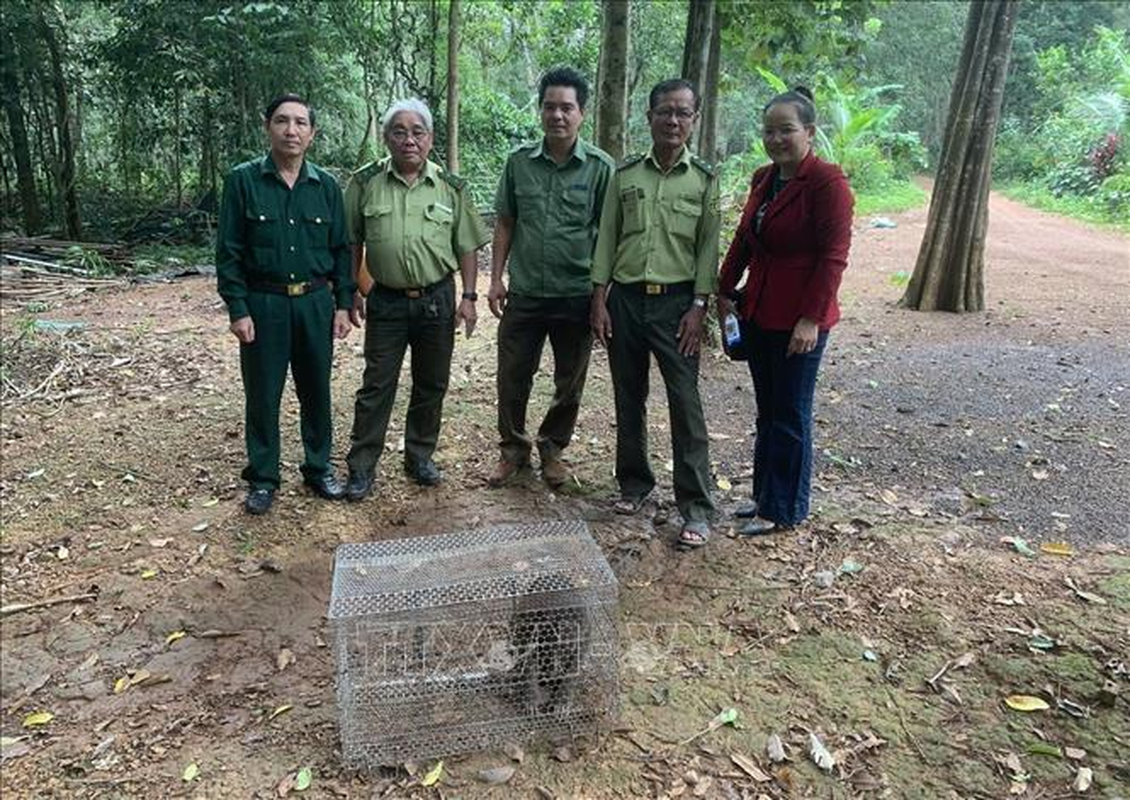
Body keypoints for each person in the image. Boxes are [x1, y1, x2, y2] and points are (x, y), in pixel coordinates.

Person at [717, 86, 854, 535]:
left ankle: (785, 510)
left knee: (791, 413)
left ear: (809, 132)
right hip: (759, 310)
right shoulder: (764, 178)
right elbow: (743, 238)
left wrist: (811, 318)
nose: (776, 139)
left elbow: (833, 256)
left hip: (799, 320)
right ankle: (763, 496)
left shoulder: (827, 183)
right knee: (767, 410)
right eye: (769, 131)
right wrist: (722, 287)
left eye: (787, 130)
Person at [590, 78, 720, 550]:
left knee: (685, 404)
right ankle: (634, 485)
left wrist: (699, 306)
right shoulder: (625, 177)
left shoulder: (703, 180)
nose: (673, 120)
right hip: (625, 300)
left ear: (694, 120)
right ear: (648, 117)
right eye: (665, 111)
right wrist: (599, 299)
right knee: (629, 395)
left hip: (677, 305)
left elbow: (708, 248)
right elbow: (607, 238)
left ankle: (697, 507)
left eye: (683, 113)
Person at [342, 98, 490, 501]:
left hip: (437, 299)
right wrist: (353, 288)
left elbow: (467, 247)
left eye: (417, 131)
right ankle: (361, 467)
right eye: (399, 131)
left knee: (432, 383)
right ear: (387, 137)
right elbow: (351, 239)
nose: (409, 139)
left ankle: (419, 456)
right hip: (385, 300)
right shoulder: (365, 182)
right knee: (376, 385)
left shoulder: (451, 186)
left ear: (430, 138)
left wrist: (470, 296)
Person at [216, 94, 354, 516]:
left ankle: (318, 469)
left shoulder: (326, 185)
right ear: (267, 127)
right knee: (263, 394)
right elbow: (229, 251)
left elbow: (342, 250)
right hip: (265, 305)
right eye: (282, 121)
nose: (291, 130)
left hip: (314, 302)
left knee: (317, 390)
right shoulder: (243, 181)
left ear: (311, 134)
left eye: (299, 123)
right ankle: (262, 477)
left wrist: (343, 304)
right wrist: (237, 308)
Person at [487, 66, 614, 489]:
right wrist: (496, 278)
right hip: (524, 292)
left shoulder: (599, 168)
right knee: (512, 376)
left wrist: (600, 296)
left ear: (582, 113)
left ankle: (553, 448)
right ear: (540, 110)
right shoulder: (519, 163)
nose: (557, 115)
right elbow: (505, 221)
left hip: (575, 293)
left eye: (566, 107)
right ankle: (513, 449)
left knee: (570, 382)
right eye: (549, 106)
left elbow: (608, 235)